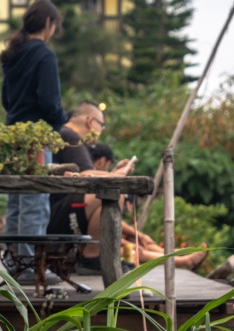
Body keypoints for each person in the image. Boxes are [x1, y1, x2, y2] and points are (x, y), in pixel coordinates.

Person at [48, 105, 207, 272]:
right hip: (59, 213)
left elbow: (82, 176)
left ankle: (96, 255)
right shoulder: (71, 137)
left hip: (57, 211)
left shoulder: (65, 135)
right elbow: (86, 175)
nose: (100, 130)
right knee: (115, 194)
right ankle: (91, 256)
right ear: (90, 121)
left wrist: (115, 173)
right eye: (101, 125)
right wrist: (117, 177)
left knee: (113, 194)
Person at [0, 0, 68, 284]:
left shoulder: (13, 55)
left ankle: (15, 263)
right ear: (49, 24)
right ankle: (29, 266)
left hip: (12, 135)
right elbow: (49, 101)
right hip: (36, 138)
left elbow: (5, 99)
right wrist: (62, 120)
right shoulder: (44, 55)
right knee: (35, 201)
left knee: (17, 201)